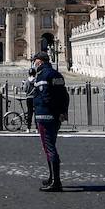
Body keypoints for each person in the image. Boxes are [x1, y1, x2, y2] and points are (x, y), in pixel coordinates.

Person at [30, 52, 66, 192]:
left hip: (45, 116)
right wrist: (62, 111)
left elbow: (44, 96)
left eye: (35, 61)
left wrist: (49, 111)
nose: (34, 63)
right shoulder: (57, 74)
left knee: (49, 148)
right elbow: (64, 95)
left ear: (39, 62)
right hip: (56, 117)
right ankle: (52, 178)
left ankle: (56, 182)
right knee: (51, 147)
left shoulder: (42, 75)